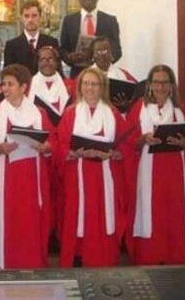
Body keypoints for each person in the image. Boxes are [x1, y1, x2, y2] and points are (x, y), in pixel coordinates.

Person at [0, 64, 57, 269]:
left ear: (24, 87)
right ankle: (1, 264)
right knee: (5, 223)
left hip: (31, 181)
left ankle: (31, 264)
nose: (5, 88)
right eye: (3, 84)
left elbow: (54, 141)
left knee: (28, 224)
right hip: (3, 181)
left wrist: (46, 147)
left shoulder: (39, 114)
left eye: (10, 84)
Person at [126, 64, 185, 265]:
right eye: (156, 82)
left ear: (171, 86)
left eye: (164, 82)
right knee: (151, 216)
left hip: (176, 175)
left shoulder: (182, 109)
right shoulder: (138, 109)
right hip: (148, 175)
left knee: (176, 216)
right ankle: (150, 259)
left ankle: (177, 260)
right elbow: (127, 143)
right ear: (149, 85)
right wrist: (143, 139)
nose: (160, 87)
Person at [55, 67, 130, 267]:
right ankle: (78, 259)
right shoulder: (70, 114)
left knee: (103, 219)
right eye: (86, 83)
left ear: (102, 87)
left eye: (94, 84)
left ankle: (104, 260)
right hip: (77, 177)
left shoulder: (113, 114)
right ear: (80, 87)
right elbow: (59, 145)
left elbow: (126, 145)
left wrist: (114, 154)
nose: (90, 88)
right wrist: (74, 153)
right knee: (77, 219)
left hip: (104, 178)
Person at [59, 0, 122, 78]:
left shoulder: (110, 21)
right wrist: (69, 58)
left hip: (104, 75)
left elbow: (117, 50)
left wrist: (104, 60)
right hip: (78, 74)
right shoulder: (69, 21)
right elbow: (63, 49)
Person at [4, 0, 59, 74]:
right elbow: (8, 74)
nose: (30, 20)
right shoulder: (12, 45)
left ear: (40, 17)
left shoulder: (51, 42)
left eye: (34, 16)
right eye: (26, 16)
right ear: (21, 18)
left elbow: (57, 70)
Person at [90, 36, 137, 113]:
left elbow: (137, 95)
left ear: (112, 54)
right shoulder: (84, 76)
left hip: (118, 115)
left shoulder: (124, 75)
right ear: (93, 56)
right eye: (99, 52)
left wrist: (128, 105)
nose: (103, 55)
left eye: (106, 51)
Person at [28, 46, 72, 118]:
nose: (46, 62)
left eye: (50, 59)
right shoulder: (28, 85)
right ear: (38, 63)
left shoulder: (70, 85)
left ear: (57, 62)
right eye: (42, 59)